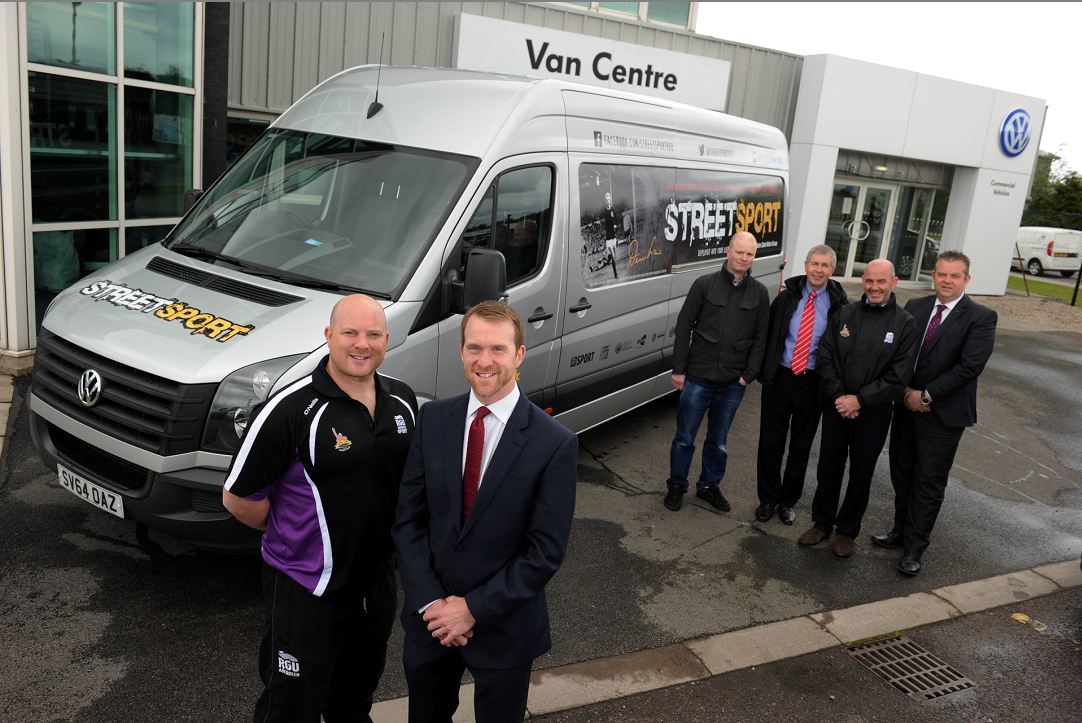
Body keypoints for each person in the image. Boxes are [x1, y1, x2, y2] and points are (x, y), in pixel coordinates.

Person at [222, 294, 417, 722]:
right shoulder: (290, 410)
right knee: (291, 709)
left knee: (354, 703)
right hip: (304, 590)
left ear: (387, 339)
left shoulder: (402, 401)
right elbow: (238, 498)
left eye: (372, 334)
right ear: (329, 337)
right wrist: (293, 536)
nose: (361, 344)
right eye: (349, 333)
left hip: (375, 587)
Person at [393, 300, 577, 723]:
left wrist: (471, 608)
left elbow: (544, 552)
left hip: (504, 627)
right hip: (431, 621)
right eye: (474, 348)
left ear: (519, 355)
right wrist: (431, 603)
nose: (484, 361)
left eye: (497, 349)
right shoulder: (434, 419)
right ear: (461, 352)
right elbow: (408, 520)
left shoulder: (553, 444)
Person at [876, 251, 997, 576]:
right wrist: (903, 390)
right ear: (934, 275)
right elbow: (899, 353)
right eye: (942, 274)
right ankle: (899, 532)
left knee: (928, 482)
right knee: (902, 474)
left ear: (966, 280)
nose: (946, 280)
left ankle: (915, 549)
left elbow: (970, 367)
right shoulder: (916, 307)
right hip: (905, 406)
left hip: (943, 415)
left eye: (954, 276)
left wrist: (927, 396)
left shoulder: (981, 317)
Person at [798, 259, 917, 558]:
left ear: (894, 282)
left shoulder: (905, 324)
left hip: (873, 414)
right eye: (869, 281)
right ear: (863, 282)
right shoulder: (845, 314)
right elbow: (825, 357)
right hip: (837, 407)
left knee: (861, 473)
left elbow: (899, 376)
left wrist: (860, 400)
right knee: (828, 467)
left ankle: (847, 530)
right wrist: (840, 396)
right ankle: (822, 523)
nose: (874, 287)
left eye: (881, 282)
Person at [664, 230, 770, 513]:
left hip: (733, 382)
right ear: (728, 251)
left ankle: (709, 486)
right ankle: (677, 484)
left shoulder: (759, 293)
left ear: (753, 257)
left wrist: (748, 375)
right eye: (739, 252)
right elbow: (684, 326)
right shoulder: (704, 285)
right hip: (698, 377)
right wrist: (679, 370)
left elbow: (761, 339)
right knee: (685, 437)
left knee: (718, 441)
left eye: (749, 254)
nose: (744, 258)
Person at [755, 244, 848, 525]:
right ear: (806, 265)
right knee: (771, 442)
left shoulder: (840, 305)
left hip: (813, 383)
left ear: (832, 270)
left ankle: (787, 501)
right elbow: (768, 334)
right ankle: (768, 499)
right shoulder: (787, 298)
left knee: (800, 446)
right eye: (814, 264)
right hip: (781, 377)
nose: (818, 270)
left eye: (825, 266)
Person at [602, 191, 619, 279]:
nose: (608, 201)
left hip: (613, 236)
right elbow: (608, 221)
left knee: (615, 255)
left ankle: (608, 259)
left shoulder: (613, 209)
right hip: (608, 237)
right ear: (605, 201)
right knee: (613, 255)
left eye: (609, 200)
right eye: (607, 200)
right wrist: (611, 218)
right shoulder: (605, 211)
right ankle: (616, 274)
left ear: (610, 200)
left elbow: (616, 219)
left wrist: (616, 224)